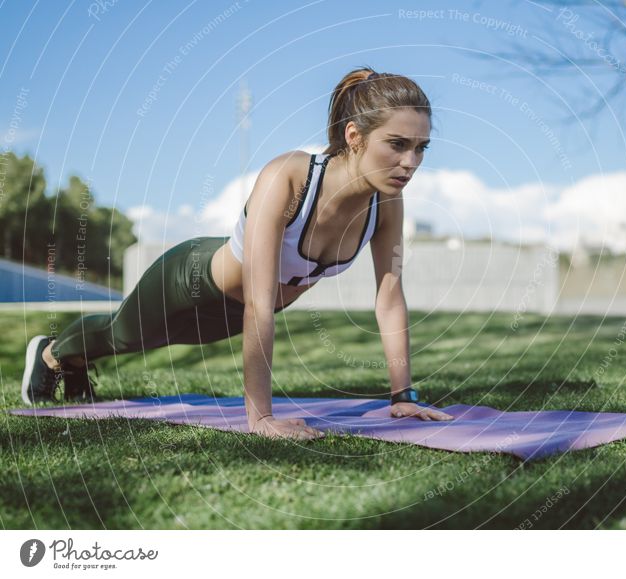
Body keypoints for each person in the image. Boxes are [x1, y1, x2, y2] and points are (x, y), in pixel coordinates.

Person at [21, 67, 454, 440]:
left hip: (230, 314)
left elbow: (390, 297)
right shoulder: (289, 177)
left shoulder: (387, 205)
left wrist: (403, 396)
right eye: (397, 144)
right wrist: (260, 416)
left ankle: (76, 362)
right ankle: (52, 352)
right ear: (354, 136)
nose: (411, 162)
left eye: (421, 148)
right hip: (189, 283)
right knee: (125, 336)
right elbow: (259, 302)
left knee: (142, 341)